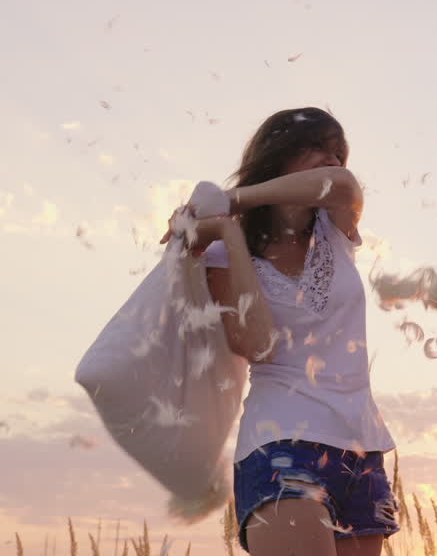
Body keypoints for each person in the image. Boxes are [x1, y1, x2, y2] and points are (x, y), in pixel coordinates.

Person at [162, 107, 398, 556]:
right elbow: (259, 344)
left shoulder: (337, 227)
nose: (333, 159)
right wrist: (230, 235)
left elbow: (342, 185)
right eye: (319, 147)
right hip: (282, 439)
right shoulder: (220, 257)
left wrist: (228, 201)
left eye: (338, 151)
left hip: (362, 448)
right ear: (280, 153)